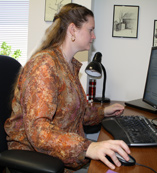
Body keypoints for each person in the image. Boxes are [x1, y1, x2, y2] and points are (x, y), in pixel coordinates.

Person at [4, 3, 130, 172]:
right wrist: (88, 148)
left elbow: (76, 113)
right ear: (72, 30)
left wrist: (104, 112)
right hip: (40, 159)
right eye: (90, 30)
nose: (93, 36)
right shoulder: (44, 65)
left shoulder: (69, 66)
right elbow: (38, 132)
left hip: (67, 155)